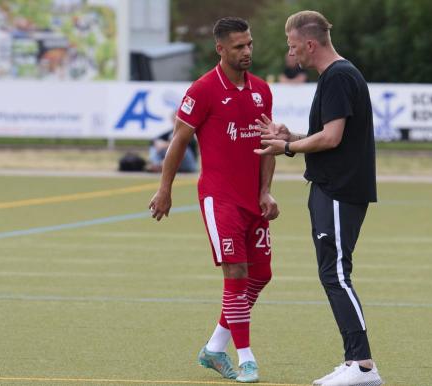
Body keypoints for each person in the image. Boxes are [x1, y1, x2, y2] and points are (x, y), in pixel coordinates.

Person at [254, 10, 383, 386]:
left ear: (310, 44)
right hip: (331, 188)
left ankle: (362, 366)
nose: (292, 55)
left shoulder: (339, 76)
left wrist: (288, 148)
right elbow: (324, 136)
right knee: (333, 274)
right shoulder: (336, 76)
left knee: (337, 274)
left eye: (293, 47)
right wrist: (290, 136)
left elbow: (331, 138)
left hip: (341, 191)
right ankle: (354, 361)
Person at [149, 17, 278, 383]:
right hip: (219, 199)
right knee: (235, 273)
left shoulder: (262, 91)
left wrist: (266, 190)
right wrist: (165, 188)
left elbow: (266, 144)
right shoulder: (203, 89)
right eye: (239, 46)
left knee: (261, 275)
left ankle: (214, 348)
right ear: (220, 49)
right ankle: (247, 359)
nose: (247, 51)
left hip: (254, 201)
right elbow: (178, 141)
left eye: (249, 44)